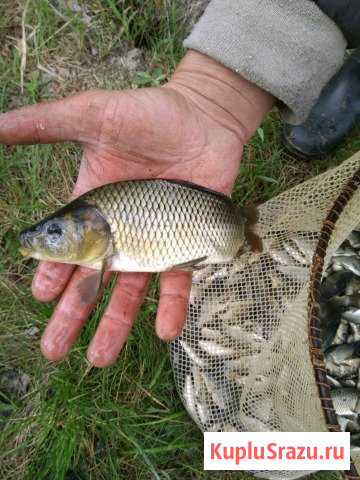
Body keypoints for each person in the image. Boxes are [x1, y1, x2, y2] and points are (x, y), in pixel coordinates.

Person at [0, 0, 358, 368]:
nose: (47, 239)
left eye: (55, 232)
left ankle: (349, 69)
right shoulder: (103, 229)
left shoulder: (105, 223)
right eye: (54, 232)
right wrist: (217, 95)